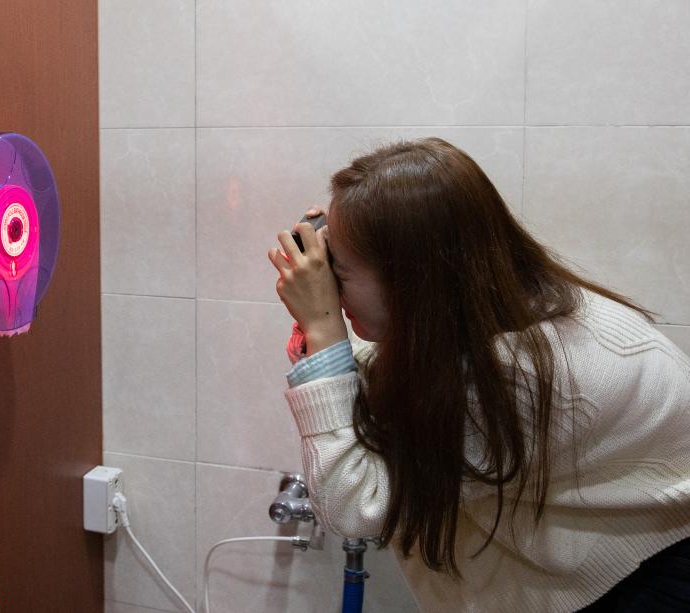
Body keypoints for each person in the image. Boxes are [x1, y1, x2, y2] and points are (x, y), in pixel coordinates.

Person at [267, 138, 690, 612]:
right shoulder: (497, 305)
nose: (331, 287)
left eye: (339, 273)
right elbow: (410, 380)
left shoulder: (531, 375)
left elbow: (355, 504)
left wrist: (324, 331)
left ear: (412, 281)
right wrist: (326, 335)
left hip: (647, 578)